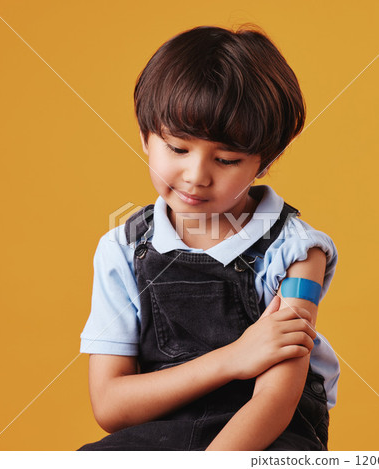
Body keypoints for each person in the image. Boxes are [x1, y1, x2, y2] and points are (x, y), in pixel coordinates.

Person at [78, 24, 340, 451]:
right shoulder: (122, 250)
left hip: (265, 439)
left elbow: (277, 399)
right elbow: (110, 405)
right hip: (158, 437)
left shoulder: (296, 252)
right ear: (146, 137)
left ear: (263, 161)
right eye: (178, 149)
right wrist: (234, 357)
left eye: (226, 159)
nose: (196, 176)